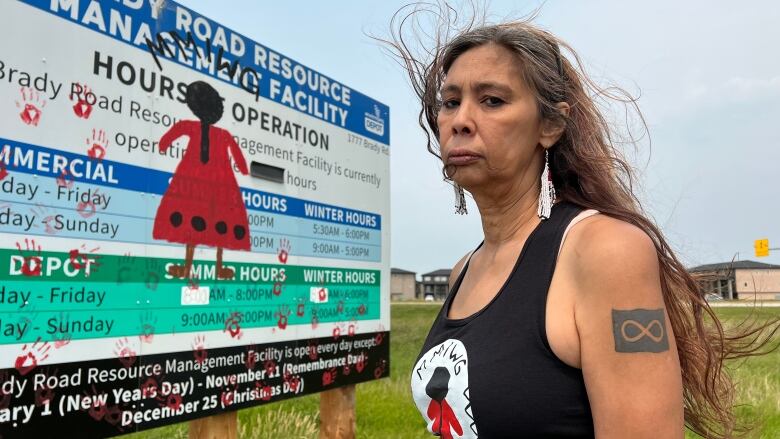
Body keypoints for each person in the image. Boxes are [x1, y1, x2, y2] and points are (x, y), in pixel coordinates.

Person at [384, 8, 778, 439]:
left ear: (550, 125)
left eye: (492, 100)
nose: (459, 121)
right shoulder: (464, 270)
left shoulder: (604, 250)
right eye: (450, 102)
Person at [153, 81, 250, 280]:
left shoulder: (190, 126)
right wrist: (243, 169)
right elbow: (241, 162)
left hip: (194, 180)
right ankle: (219, 267)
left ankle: (187, 267)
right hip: (220, 183)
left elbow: (168, 138)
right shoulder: (224, 135)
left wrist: (163, 146)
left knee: (192, 219)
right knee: (221, 219)